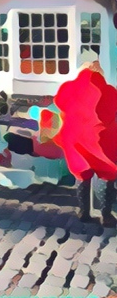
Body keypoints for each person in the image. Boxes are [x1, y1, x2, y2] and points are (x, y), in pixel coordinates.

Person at [53, 63, 117, 226]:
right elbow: (110, 115)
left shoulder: (67, 88)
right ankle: (106, 215)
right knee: (106, 173)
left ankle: (83, 212)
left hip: (73, 138)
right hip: (98, 139)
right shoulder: (109, 90)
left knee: (81, 172)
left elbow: (61, 106)